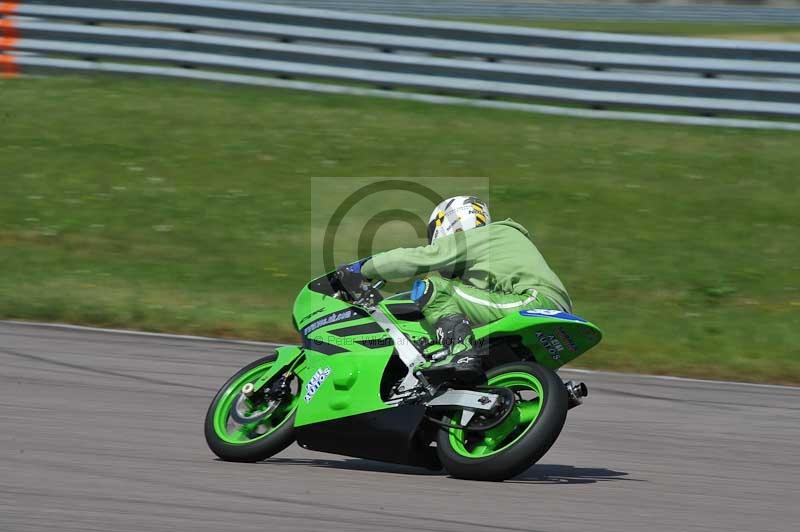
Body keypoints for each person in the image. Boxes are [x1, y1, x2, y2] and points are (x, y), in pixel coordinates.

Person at [345, 196, 571, 385]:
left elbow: (417, 258)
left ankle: (461, 353)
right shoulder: (497, 246)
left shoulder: (480, 237)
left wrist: (363, 269)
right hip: (554, 314)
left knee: (433, 287)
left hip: (533, 302)